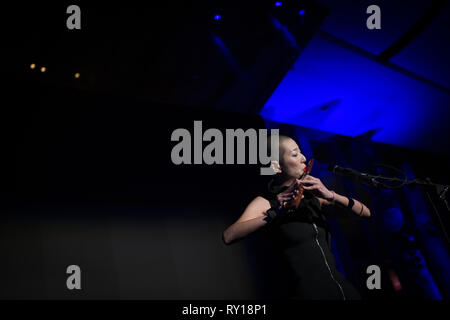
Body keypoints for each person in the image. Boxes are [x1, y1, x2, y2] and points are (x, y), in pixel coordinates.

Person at [222, 135, 371, 300]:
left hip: (342, 290)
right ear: (277, 167)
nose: (304, 158)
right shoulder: (266, 202)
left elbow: (365, 212)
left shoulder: (313, 196)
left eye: (301, 153)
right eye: (295, 154)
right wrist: (275, 212)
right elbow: (229, 236)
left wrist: (331, 195)